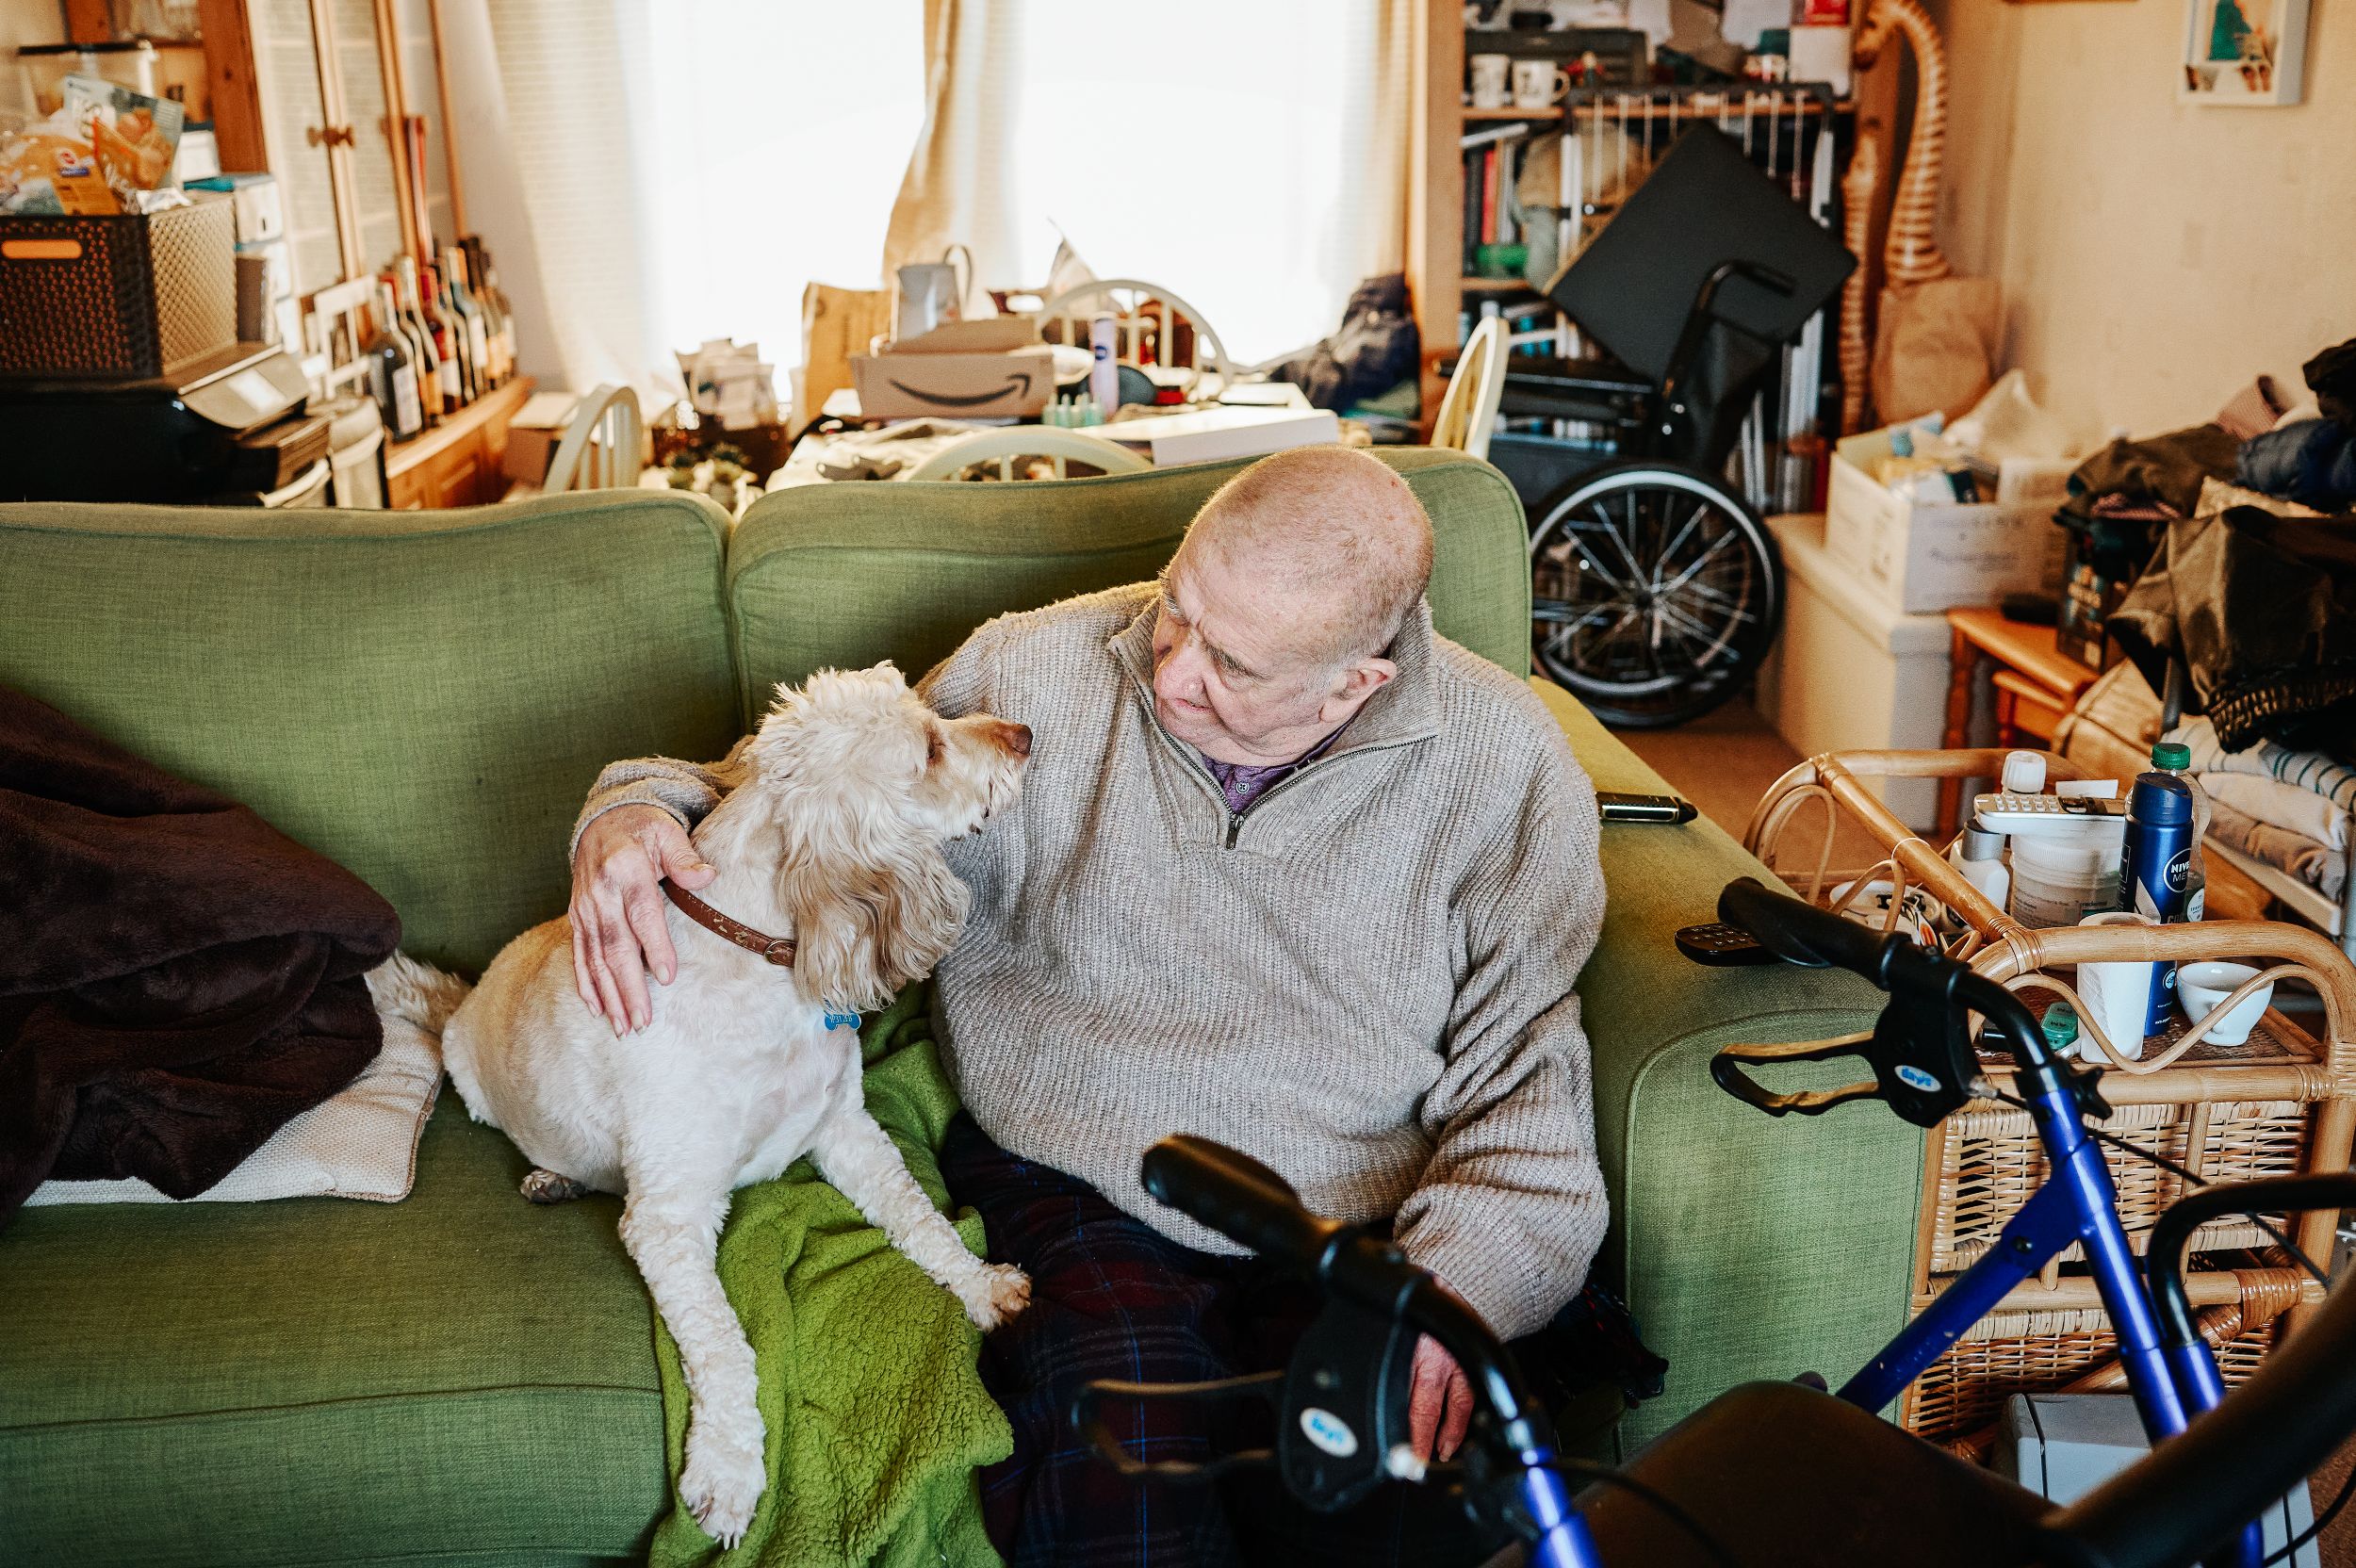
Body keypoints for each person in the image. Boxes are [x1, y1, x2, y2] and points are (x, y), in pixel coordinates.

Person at [569, 445, 1610, 1565]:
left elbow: (1529, 1095)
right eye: (1178, 609)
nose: (1170, 673)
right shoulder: (1033, 664)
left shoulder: (1505, 768)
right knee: (1123, 1495)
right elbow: (789, 792)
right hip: (1077, 1173)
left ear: (1357, 680)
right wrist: (629, 813)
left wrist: (1448, 1286)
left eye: (1233, 664)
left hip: (1354, 1216)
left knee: (1402, 1511)